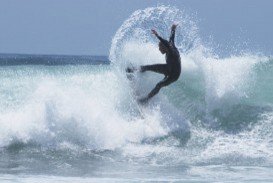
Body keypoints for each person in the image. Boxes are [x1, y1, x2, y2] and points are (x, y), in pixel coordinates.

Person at [126, 24, 181, 103]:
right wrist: (173, 29)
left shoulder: (171, 50)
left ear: (165, 47)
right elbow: (171, 38)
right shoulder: (170, 45)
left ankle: (145, 100)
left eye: (160, 48)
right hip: (168, 68)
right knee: (149, 67)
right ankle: (133, 70)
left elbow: (165, 43)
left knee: (159, 85)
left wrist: (157, 35)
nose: (159, 50)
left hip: (174, 75)